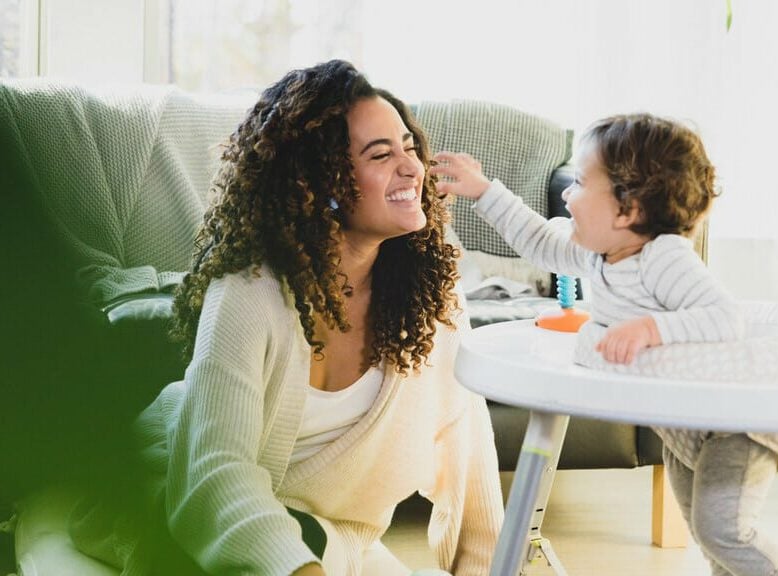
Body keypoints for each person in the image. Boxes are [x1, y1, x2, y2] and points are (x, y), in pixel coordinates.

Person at [69, 59, 503, 576]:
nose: (412, 167)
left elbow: (468, 454)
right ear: (320, 184)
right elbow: (215, 474)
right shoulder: (249, 292)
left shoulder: (434, 299)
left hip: (328, 536)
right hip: (171, 506)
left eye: (409, 147)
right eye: (381, 154)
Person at [431, 113, 778, 576]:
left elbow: (726, 317)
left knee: (724, 532)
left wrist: (650, 328)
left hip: (740, 426)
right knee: (712, 544)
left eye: (582, 182)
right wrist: (485, 192)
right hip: (685, 427)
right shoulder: (598, 252)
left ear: (629, 210)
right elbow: (540, 241)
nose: (567, 192)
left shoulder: (663, 258)